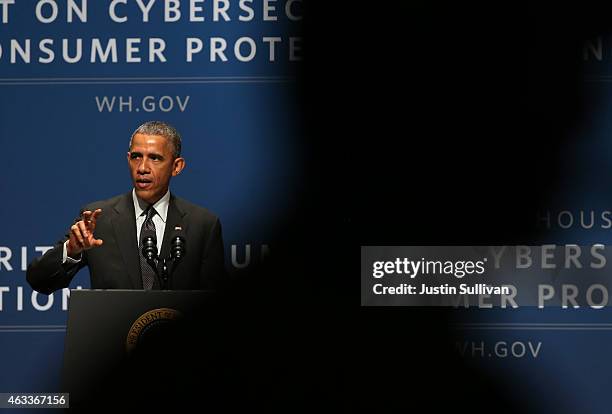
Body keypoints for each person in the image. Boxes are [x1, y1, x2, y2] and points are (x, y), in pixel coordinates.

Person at [27, 121, 226, 293]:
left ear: (176, 166)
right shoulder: (98, 220)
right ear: (128, 159)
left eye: (155, 158)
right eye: (136, 157)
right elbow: (39, 281)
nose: (142, 168)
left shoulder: (202, 225)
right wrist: (71, 251)